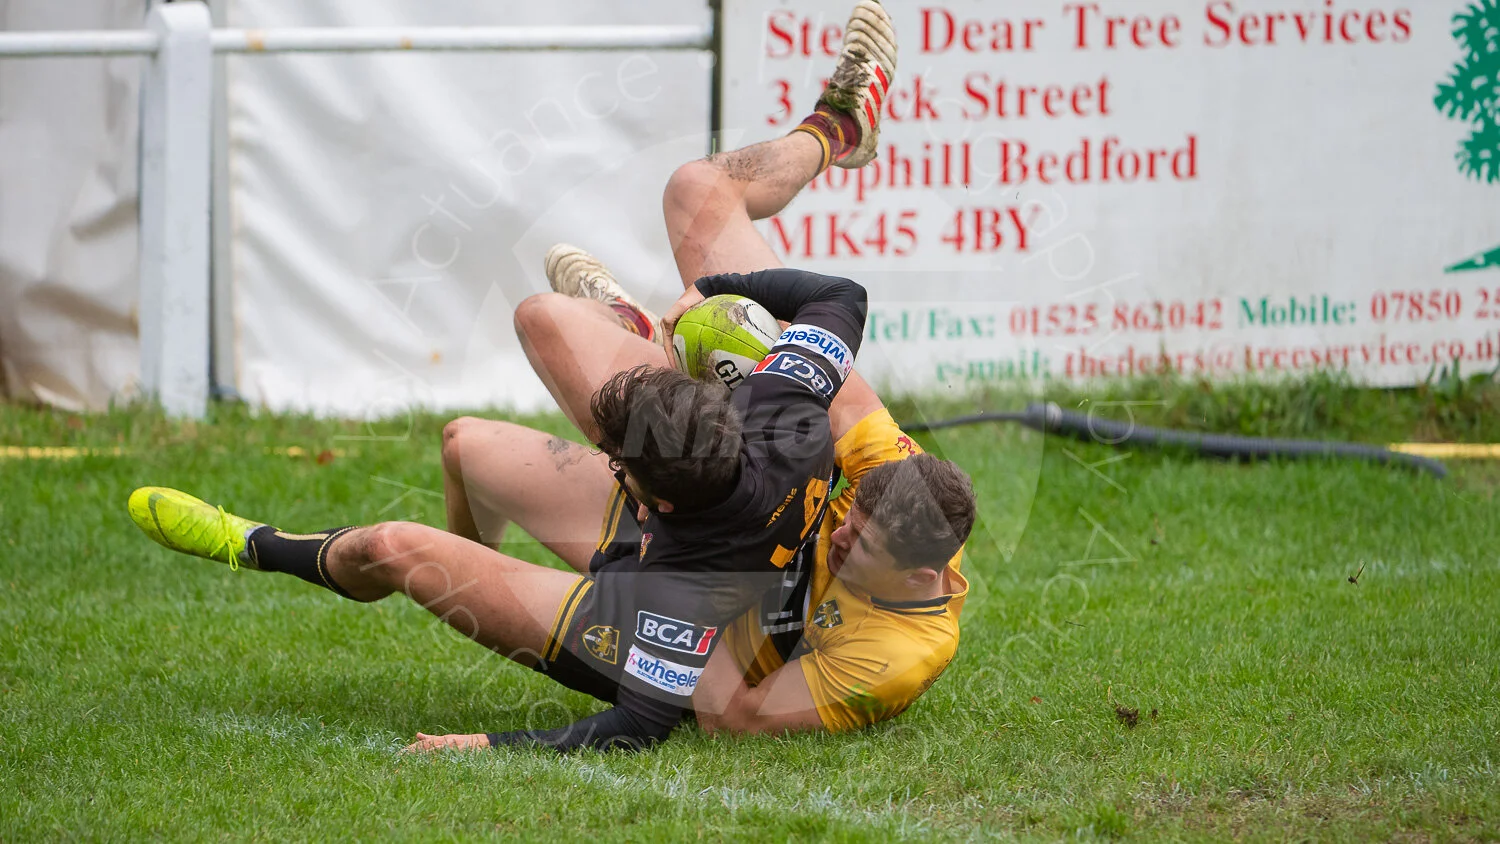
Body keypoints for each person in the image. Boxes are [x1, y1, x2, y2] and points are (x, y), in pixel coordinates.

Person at [434, 0, 974, 742]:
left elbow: (734, 715)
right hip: (712, 490)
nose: (839, 534)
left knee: (514, 360)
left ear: (918, 580)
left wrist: (668, 608)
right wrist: (724, 306)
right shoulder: (896, 486)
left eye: (857, 547)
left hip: (693, 572)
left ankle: (657, 352)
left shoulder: (895, 657)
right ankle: (839, 127)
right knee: (695, 188)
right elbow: (835, 392)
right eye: (849, 520)